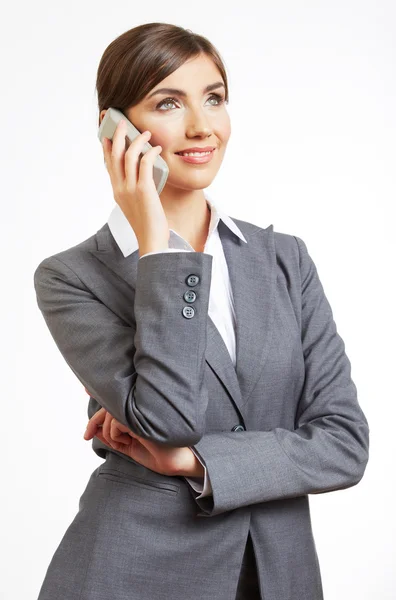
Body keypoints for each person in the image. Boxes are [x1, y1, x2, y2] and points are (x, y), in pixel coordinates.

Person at [33, 22, 370, 600]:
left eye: (213, 99)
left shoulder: (284, 259)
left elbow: (344, 445)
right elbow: (169, 417)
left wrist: (195, 462)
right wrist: (157, 248)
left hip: (281, 575)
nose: (201, 127)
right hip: (135, 573)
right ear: (115, 131)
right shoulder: (72, 277)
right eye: (168, 102)